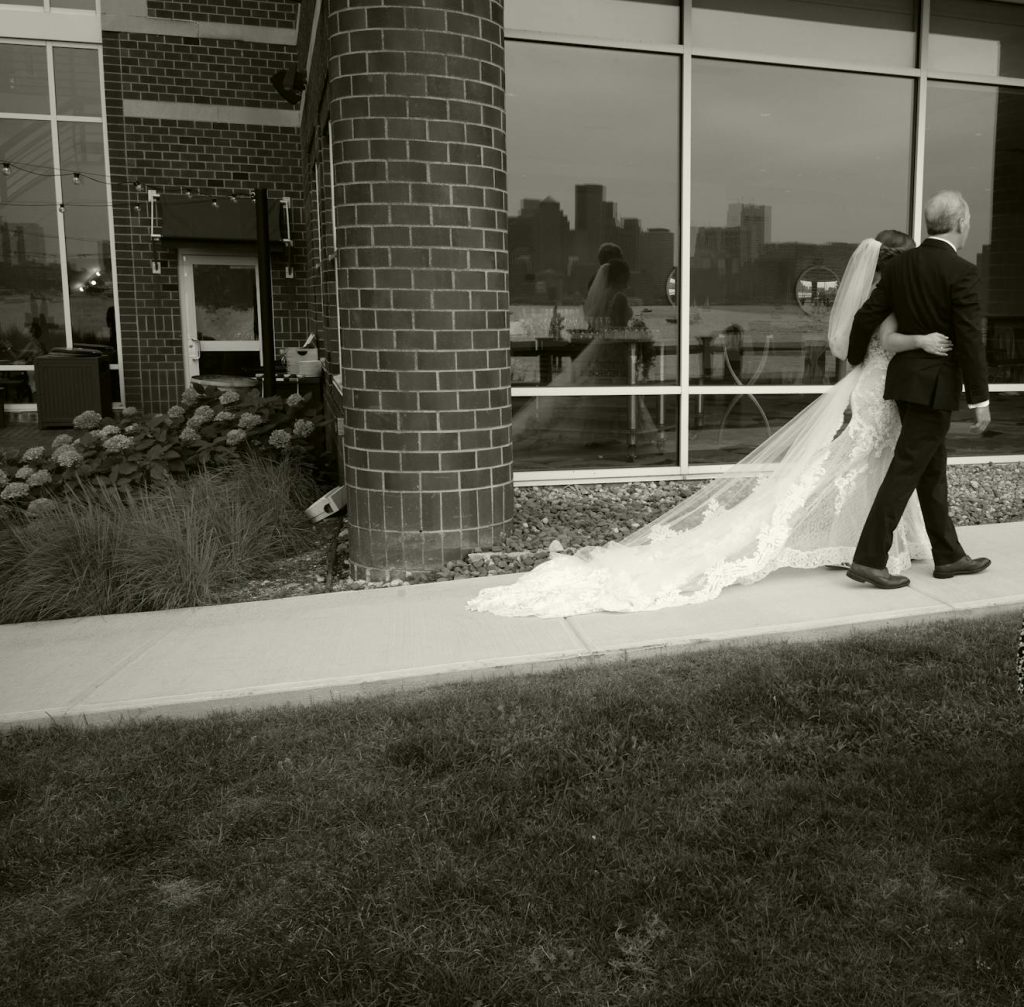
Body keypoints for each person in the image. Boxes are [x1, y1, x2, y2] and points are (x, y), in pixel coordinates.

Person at [469, 229, 952, 619]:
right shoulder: (888, 299)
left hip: (876, 387)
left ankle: (884, 542)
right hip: (880, 387)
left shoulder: (876, 294)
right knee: (864, 462)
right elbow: (884, 342)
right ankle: (871, 546)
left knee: (875, 462)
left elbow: (850, 346)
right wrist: (925, 341)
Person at [846, 191, 991, 589]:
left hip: (905, 382)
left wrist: (855, 358)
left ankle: (949, 556)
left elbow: (868, 315)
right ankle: (869, 559)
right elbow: (968, 336)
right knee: (909, 467)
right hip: (934, 387)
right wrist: (980, 397)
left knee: (931, 469)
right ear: (961, 223)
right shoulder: (961, 271)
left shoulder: (901, 266)